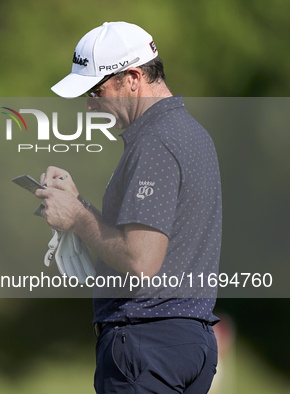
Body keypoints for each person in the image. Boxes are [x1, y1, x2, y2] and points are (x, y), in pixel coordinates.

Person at [35, 22, 221, 393]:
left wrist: (77, 218)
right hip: (186, 343)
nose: (89, 104)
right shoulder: (190, 132)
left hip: (146, 345)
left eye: (96, 90)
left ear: (133, 78)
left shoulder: (154, 142)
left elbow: (141, 260)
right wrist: (81, 207)